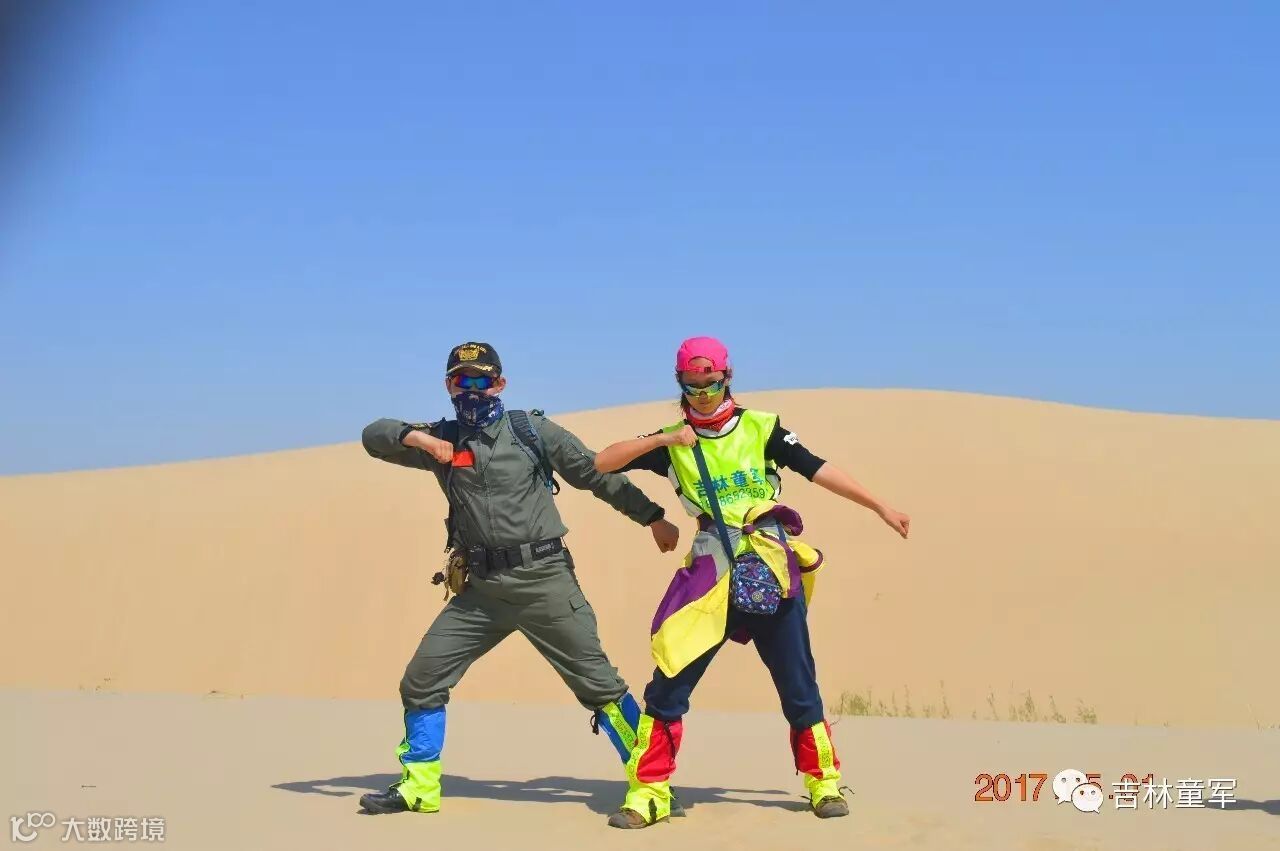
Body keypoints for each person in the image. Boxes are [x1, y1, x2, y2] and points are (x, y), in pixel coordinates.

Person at [592, 336, 911, 828]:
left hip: (770, 566)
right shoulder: (673, 440)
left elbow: (818, 468)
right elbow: (603, 462)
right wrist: (662, 441)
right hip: (709, 573)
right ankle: (650, 791)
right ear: (680, 383)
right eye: (692, 386)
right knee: (670, 680)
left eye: (710, 384)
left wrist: (880, 506)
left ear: (727, 378)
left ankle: (823, 781)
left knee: (797, 682)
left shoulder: (763, 428)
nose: (702, 395)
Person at [357, 341, 683, 815]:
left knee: (599, 687)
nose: (472, 390)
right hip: (481, 592)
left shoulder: (531, 431)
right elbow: (373, 437)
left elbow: (594, 473)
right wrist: (418, 439)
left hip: (543, 583)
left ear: (500, 384)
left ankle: (652, 786)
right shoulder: (441, 441)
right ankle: (420, 786)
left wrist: (652, 516)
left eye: (482, 380)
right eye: (462, 380)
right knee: (422, 680)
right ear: (448, 385)